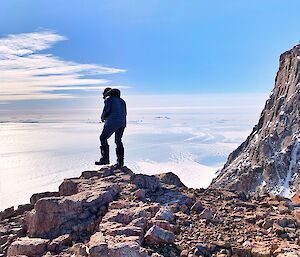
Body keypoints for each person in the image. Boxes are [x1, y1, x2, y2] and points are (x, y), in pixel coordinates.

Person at [95, 87, 127, 168]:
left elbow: (106, 111)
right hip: (122, 122)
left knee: (103, 138)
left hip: (112, 122)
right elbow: (125, 113)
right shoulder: (122, 100)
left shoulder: (109, 99)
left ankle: (105, 159)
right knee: (118, 141)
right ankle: (120, 162)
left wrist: (102, 118)